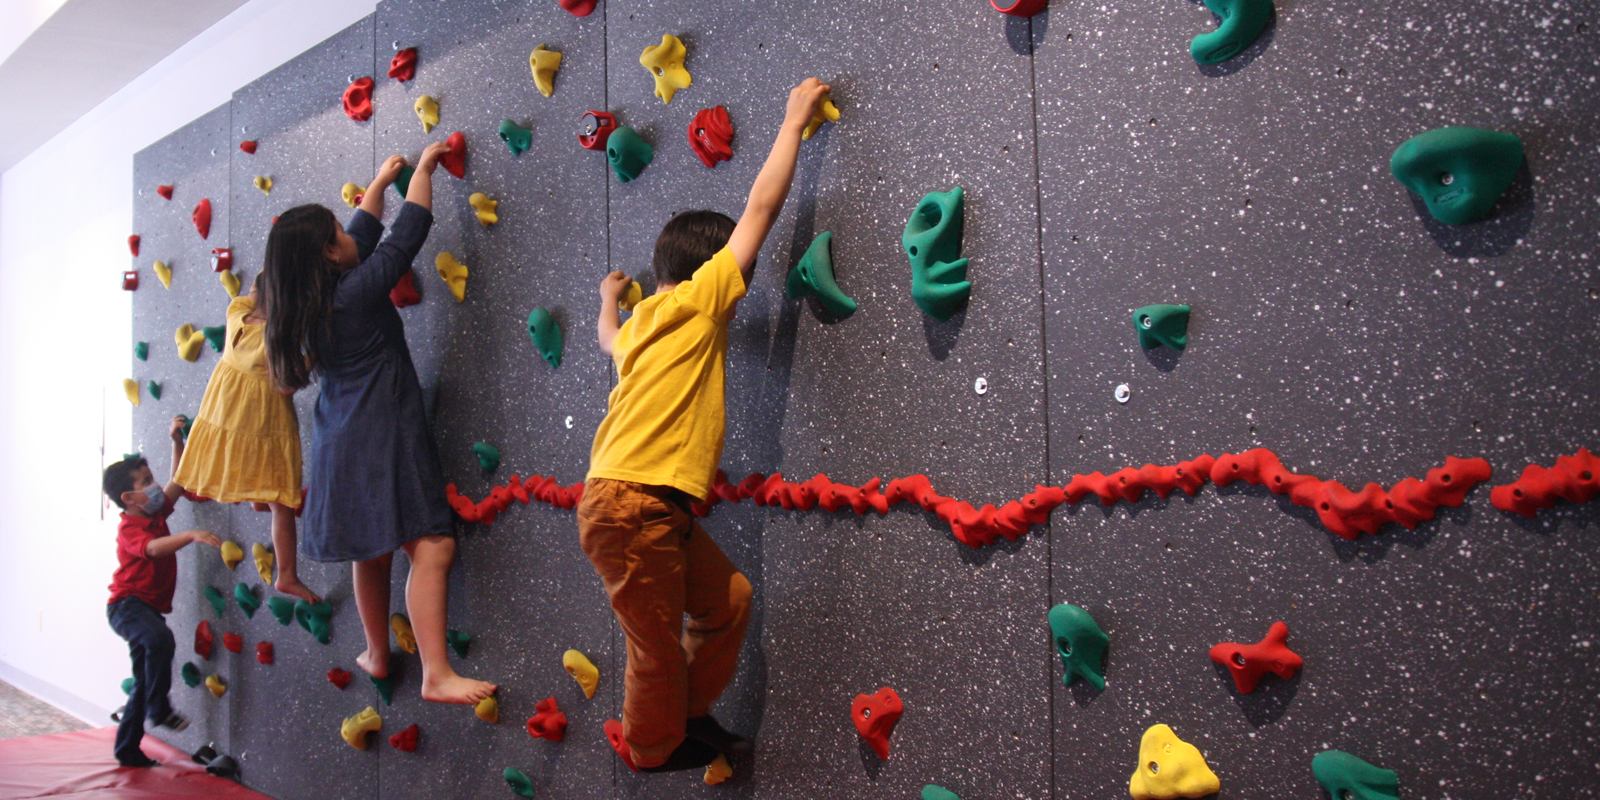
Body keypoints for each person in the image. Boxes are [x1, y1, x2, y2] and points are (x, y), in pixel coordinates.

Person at [582, 76, 832, 772]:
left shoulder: (641, 325)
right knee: (653, 646)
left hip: (641, 505)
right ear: (708, 271)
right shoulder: (699, 302)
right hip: (633, 503)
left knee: (728, 602)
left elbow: (607, 339)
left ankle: (684, 717)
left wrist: (608, 298)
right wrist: (791, 123)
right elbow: (760, 206)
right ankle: (652, 746)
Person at [259, 143, 494, 705]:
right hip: (382, 430)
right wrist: (427, 168)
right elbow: (404, 236)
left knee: (373, 549)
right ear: (326, 255)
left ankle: (377, 651)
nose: (348, 235)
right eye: (336, 234)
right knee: (432, 548)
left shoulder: (312, 299)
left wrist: (381, 181)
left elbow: (361, 236)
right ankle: (436, 671)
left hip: (340, 438)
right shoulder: (354, 294)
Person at [173, 279, 320, 605]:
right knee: (281, 505)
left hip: (230, 418)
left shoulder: (236, 312)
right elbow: (286, 386)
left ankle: (258, 495)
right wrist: (313, 355)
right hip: (260, 422)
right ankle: (287, 575)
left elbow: (256, 291)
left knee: (265, 490)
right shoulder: (275, 341)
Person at [102, 415, 222, 766]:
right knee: (160, 641)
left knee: (144, 676)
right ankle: (159, 708)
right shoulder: (130, 528)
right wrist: (190, 536)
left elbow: (179, 482)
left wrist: (176, 440)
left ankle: (127, 749)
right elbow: (153, 549)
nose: (156, 486)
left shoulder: (153, 513)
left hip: (145, 608)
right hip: (126, 606)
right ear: (129, 497)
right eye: (147, 482)